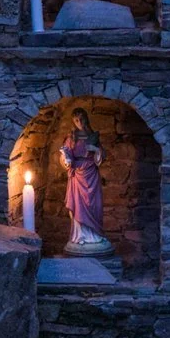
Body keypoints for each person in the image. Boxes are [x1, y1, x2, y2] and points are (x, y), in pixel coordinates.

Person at [59, 107, 110, 256]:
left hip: (91, 173)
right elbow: (65, 156)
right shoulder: (71, 138)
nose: (79, 122)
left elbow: (101, 155)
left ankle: (95, 236)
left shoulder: (93, 136)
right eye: (76, 120)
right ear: (73, 122)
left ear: (86, 119)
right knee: (78, 204)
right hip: (77, 174)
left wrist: (96, 149)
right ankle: (80, 236)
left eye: (81, 119)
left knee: (94, 204)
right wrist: (67, 159)